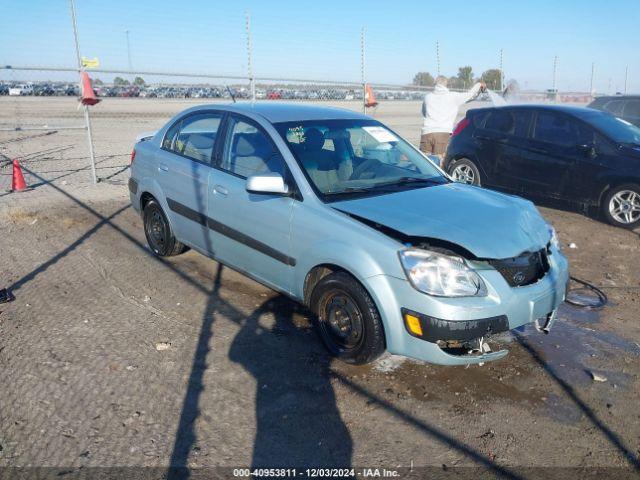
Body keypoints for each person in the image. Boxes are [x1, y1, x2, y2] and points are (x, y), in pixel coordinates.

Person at [420, 76, 485, 158]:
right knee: (439, 162)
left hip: (427, 133)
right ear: (446, 84)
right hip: (442, 133)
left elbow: (423, 112)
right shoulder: (453, 96)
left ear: (435, 84)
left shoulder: (427, 97)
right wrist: (479, 84)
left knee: (423, 162)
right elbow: (470, 94)